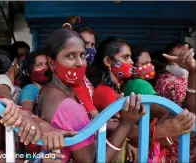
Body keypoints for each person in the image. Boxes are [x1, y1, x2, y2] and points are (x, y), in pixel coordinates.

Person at [37, 29, 146, 163]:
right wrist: (126, 124)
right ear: (52, 63)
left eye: (82, 55)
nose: (80, 63)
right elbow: (95, 161)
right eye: (70, 56)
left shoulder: (47, 92)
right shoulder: (68, 107)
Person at [155, 43, 196, 163]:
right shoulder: (167, 81)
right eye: (175, 58)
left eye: (184, 58)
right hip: (177, 144)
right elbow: (189, 111)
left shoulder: (189, 79)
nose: (181, 62)